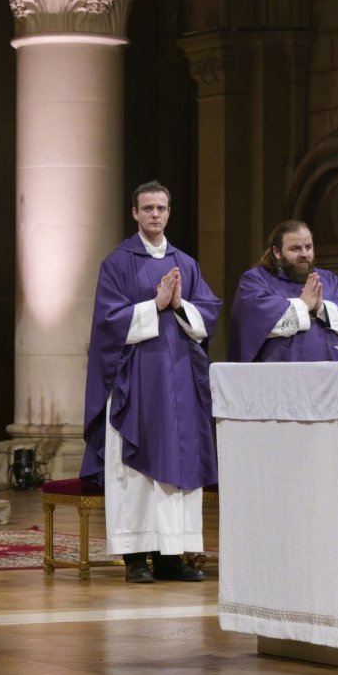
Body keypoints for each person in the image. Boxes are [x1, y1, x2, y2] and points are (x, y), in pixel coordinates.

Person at [81, 181, 220, 584]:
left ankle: (172, 556)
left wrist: (179, 306)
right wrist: (154, 306)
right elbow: (107, 323)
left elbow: (207, 315)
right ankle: (136, 557)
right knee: (136, 471)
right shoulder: (118, 263)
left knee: (177, 464)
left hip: (178, 377)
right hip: (136, 379)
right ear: (135, 214)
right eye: (147, 208)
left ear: (169, 212)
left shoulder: (186, 264)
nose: (155, 214)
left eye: (161, 207)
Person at [227, 220, 338, 362]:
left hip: (330, 375)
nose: (304, 253)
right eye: (295, 248)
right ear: (277, 252)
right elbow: (254, 319)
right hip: (280, 377)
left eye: (308, 247)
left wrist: (322, 308)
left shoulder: (329, 280)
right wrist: (303, 306)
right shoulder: (256, 280)